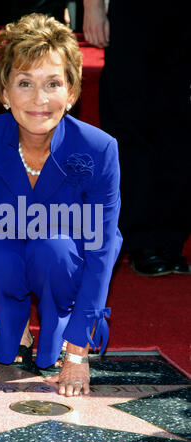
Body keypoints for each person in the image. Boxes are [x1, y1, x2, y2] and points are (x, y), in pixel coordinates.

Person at [0, 13, 123, 396]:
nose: (40, 99)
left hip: (65, 256)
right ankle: (14, 315)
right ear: (4, 93)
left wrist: (77, 354)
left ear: (72, 93)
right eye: (24, 83)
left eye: (53, 83)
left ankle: (57, 318)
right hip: (3, 247)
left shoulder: (99, 149)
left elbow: (101, 249)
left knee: (53, 250)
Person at [83, 0, 190, 276]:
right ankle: (140, 237)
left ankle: (169, 239)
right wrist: (92, 6)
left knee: (177, 119)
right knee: (129, 113)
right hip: (134, 12)